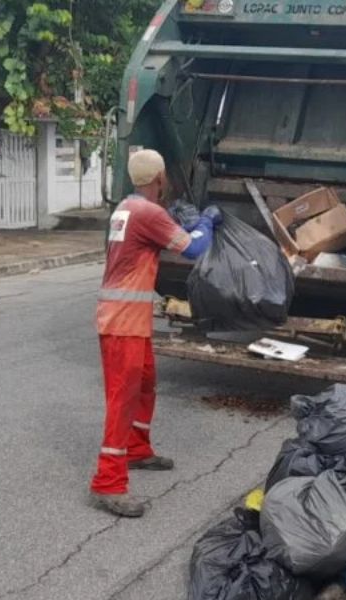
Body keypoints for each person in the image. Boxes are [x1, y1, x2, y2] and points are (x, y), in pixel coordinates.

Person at [90, 149, 222, 517]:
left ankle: (136, 449)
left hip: (126, 319)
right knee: (122, 399)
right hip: (122, 324)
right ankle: (108, 483)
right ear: (160, 179)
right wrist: (207, 221)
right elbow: (196, 248)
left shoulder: (125, 207)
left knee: (145, 384)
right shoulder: (148, 213)